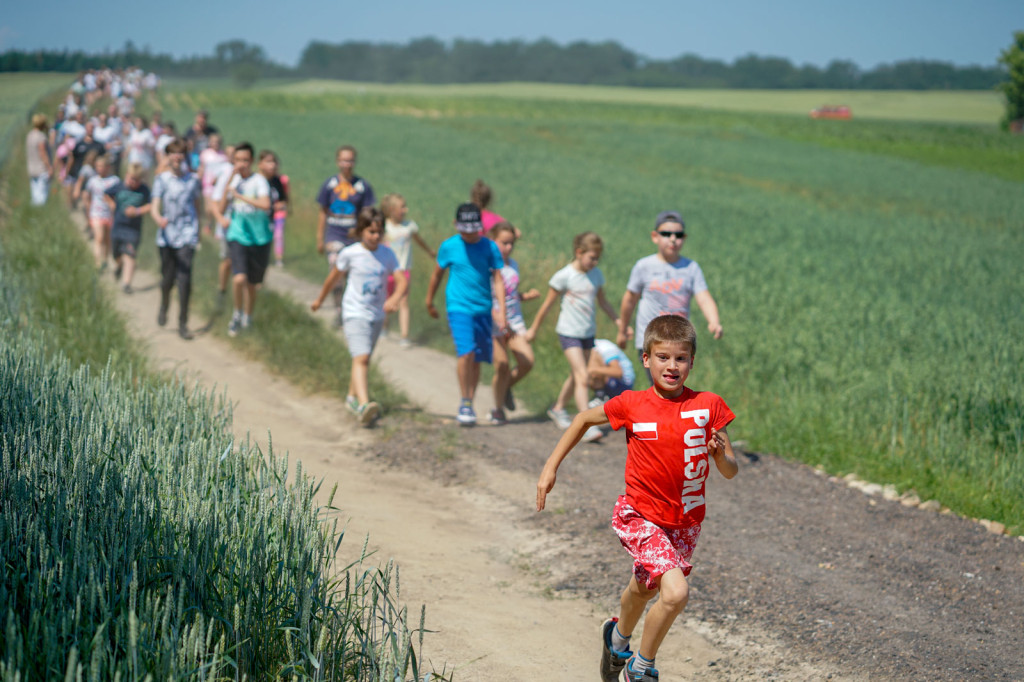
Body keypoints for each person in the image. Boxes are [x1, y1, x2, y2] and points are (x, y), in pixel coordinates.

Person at [536, 314, 739, 682]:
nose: (672, 366)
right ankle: (640, 669)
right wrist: (551, 467)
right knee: (676, 593)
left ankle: (616, 637)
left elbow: (730, 470)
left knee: (645, 588)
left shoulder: (709, 406)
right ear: (646, 359)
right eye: (663, 357)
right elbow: (582, 418)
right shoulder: (633, 404)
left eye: (680, 358)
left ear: (692, 361)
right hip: (640, 515)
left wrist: (720, 455)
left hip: (685, 522)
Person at [311, 207, 405, 427]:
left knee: (362, 359)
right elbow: (333, 278)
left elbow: (401, 280)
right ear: (361, 231)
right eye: (371, 231)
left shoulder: (387, 254)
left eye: (379, 232)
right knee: (361, 358)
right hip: (354, 312)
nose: (375, 236)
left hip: (376, 314)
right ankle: (364, 404)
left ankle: (351, 398)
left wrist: (395, 298)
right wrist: (319, 300)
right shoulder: (350, 253)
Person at [526, 231, 621, 443]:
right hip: (568, 333)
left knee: (576, 374)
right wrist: (533, 329)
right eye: (592, 257)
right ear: (579, 253)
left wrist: (617, 321)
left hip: (587, 333)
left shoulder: (596, 275)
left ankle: (558, 408)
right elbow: (547, 305)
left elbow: (603, 302)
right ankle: (585, 423)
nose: (595, 262)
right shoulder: (564, 276)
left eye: (597, 258)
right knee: (582, 375)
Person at [617, 211, 723, 385]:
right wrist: (622, 330)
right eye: (666, 234)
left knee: (671, 389)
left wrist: (714, 321)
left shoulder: (691, 268)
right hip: (651, 338)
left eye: (678, 235)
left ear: (684, 238)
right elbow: (630, 299)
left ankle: (661, 412)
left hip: (679, 340)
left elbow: (703, 297)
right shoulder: (644, 266)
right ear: (655, 236)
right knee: (663, 387)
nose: (673, 239)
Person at [425, 202, 506, 426]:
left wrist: (501, 309)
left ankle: (470, 398)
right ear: (455, 226)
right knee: (466, 352)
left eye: (474, 230)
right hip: (458, 306)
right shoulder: (449, 246)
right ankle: (465, 402)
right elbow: (437, 274)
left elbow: (498, 279)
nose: (470, 235)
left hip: (483, 308)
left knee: (478, 358)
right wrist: (429, 300)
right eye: (465, 230)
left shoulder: (490, 247)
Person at [316, 145, 376, 326]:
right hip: (334, 234)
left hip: (354, 238)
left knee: (353, 275)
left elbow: (367, 214)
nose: (346, 164)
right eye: (343, 160)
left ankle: (353, 309)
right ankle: (338, 311)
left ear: (354, 162)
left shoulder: (362, 186)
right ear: (337, 161)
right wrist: (320, 238)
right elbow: (323, 212)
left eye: (350, 160)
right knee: (336, 271)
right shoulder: (329, 185)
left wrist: (360, 231)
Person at [150, 138, 201, 340]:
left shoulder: (193, 180)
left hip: (187, 233)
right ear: (168, 157)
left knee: (185, 278)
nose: (177, 157)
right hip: (166, 235)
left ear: (184, 156)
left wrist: (200, 228)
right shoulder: (161, 179)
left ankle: (183, 322)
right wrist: (157, 218)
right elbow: (155, 204)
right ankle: (164, 304)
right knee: (167, 277)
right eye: (173, 153)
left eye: (180, 153)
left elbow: (197, 205)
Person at [489, 221, 539, 425]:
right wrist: (498, 316)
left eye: (511, 244)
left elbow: (510, 294)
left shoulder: (513, 265)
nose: (508, 248)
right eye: (504, 243)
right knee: (501, 364)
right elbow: (483, 296)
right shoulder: (487, 265)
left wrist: (525, 296)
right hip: (493, 323)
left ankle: (505, 387)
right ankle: (497, 409)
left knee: (527, 361)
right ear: (493, 241)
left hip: (514, 321)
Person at [222, 144, 273, 337]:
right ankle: (236, 313)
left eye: (245, 160)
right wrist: (230, 183)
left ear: (251, 162)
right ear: (233, 161)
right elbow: (220, 207)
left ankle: (247, 317)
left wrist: (241, 196)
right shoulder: (232, 181)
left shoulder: (259, 181)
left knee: (252, 285)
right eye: (238, 160)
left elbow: (265, 205)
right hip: (238, 235)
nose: (242, 164)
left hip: (259, 238)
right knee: (239, 278)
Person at [381, 192, 434, 347]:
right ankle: (384, 326)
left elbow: (419, 240)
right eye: (402, 207)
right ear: (391, 209)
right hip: (387, 270)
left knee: (403, 301)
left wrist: (429, 251)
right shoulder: (384, 226)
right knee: (387, 298)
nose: (406, 210)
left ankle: (404, 335)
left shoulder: (409, 226)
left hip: (404, 270)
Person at [108, 163, 152, 293]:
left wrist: (137, 211)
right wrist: (111, 204)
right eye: (130, 178)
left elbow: (151, 205)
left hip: (133, 229)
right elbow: (106, 194)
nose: (132, 182)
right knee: (116, 253)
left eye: (136, 180)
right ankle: (119, 265)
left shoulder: (144, 190)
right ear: (126, 175)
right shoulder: (119, 186)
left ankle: (126, 284)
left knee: (130, 254)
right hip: (118, 226)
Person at [82, 154, 121, 270]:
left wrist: (113, 204)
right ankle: (97, 262)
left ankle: (106, 258)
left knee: (108, 239)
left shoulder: (115, 180)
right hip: (96, 213)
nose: (99, 168)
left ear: (107, 167)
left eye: (102, 166)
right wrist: (87, 209)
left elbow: (119, 196)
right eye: (97, 166)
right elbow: (87, 195)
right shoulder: (93, 181)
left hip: (110, 214)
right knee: (99, 238)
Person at [587, 338, 636, 405]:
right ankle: (601, 395)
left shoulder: (603, 348)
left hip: (623, 383)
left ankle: (601, 396)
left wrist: (592, 370)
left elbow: (618, 372)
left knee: (593, 362)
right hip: (615, 383)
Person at [264, 153, 289, 267]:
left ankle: (279, 258)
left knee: (278, 235)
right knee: (266, 234)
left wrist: (282, 205)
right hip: (265, 214)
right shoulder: (261, 181)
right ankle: (265, 256)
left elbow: (285, 198)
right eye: (269, 162)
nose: (272, 166)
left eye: (273, 163)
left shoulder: (281, 180)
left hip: (278, 213)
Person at [26, 113, 53, 207]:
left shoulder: (30, 135)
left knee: (35, 195)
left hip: (32, 168)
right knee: (42, 196)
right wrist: (49, 167)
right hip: (42, 169)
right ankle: (40, 212)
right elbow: (43, 153)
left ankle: (34, 213)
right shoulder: (41, 137)